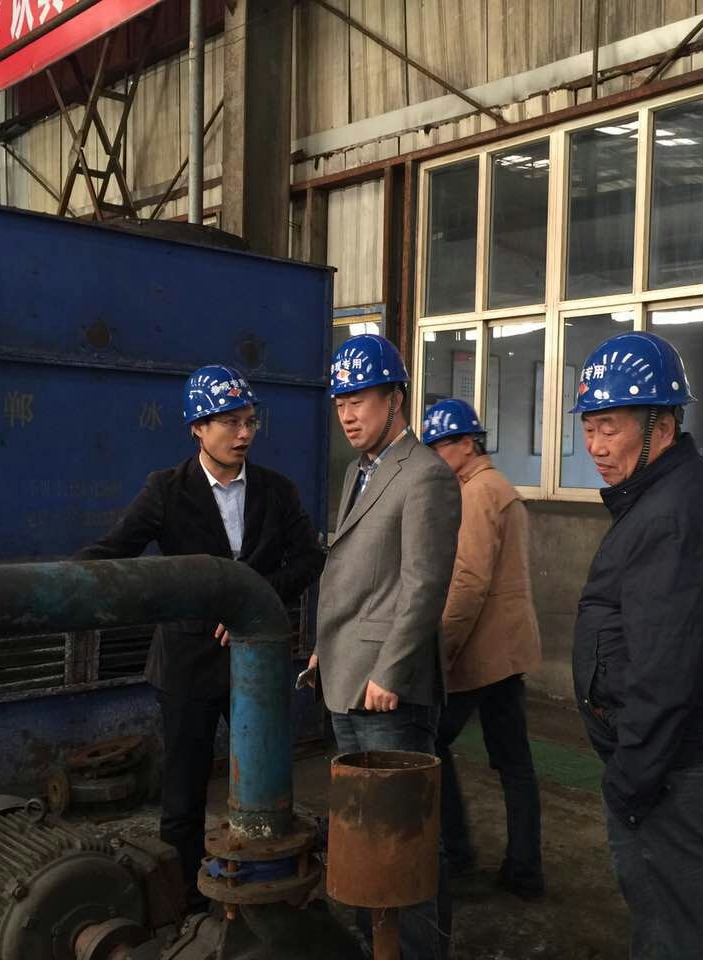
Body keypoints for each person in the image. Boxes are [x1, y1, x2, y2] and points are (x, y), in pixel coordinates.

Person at [75, 364, 325, 911]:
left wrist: (254, 599)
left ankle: (264, 893)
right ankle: (186, 905)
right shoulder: (166, 491)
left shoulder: (276, 491)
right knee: (183, 795)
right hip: (187, 665)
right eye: (230, 422)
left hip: (256, 663)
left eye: (250, 421)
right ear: (197, 428)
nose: (244, 433)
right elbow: (115, 550)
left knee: (266, 786)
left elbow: (309, 559)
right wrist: (64, 586)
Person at [571, 331, 703, 959]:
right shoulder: (674, 495)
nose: (596, 446)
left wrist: (629, 784)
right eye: (588, 427)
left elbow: (664, 672)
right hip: (691, 762)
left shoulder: (669, 515)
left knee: (671, 940)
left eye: (610, 428)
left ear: (663, 426)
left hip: (675, 775)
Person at [309, 334, 460, 960]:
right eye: (341, 403)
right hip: (347, 676)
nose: (347, 415)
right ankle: (375, 945)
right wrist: (325, 647)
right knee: (362, 828)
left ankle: (420, 950)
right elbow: (357, 573)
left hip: (387, 691)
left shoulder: (424, 475)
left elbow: (424, 585)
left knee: (406, 835)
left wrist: (390, 671)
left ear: (395, 398)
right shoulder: (359, 472)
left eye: (360, 400)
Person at [422, 398, 544, 900]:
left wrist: (441, 649)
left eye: (441, 445)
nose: (435, 455)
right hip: (508, 653)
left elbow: (468, 582)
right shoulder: (499, 489)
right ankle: (524, 869)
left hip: (480, 654)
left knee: (431, 742)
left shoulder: (476, 494)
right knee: (514, 762)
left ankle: (457, 852)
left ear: (468, 443)